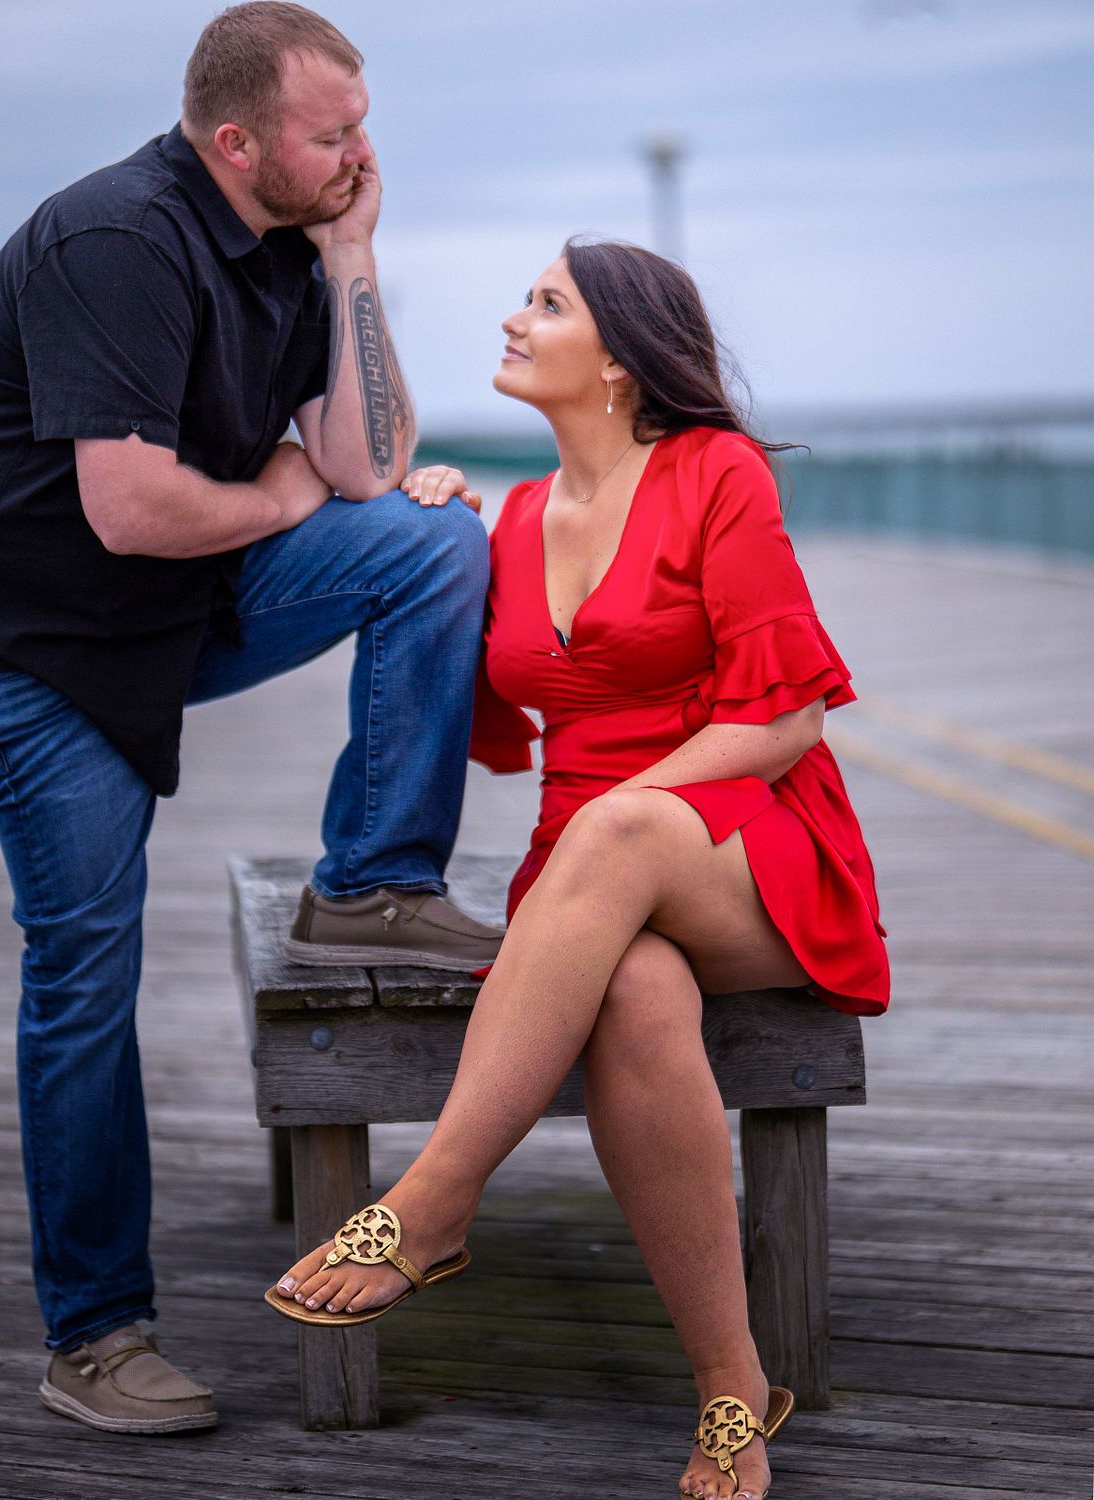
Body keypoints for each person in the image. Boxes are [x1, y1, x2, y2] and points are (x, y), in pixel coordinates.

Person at [0, 1, 503, 1435]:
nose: (360, 152)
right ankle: (95, 1335)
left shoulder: (301, 242)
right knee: (87, 964)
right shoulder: (121, 239)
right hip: (28, 644)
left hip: (170, 602)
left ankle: (373, 883)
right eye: (331, 134)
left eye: (363, 123)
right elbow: (127, 507)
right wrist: (277, 500)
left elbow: (368, 466)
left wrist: (354, 260)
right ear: (237, 142)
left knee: (430, 542)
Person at [267, 239, 890, 1500]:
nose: (512, 317)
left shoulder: (717, 475)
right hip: (589, 880)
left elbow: (787, 721)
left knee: (614, 835)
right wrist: (426, 520)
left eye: (545, 303)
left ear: (618, 356)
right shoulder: (504, 521)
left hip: (752, 854)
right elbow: (488, 718)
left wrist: (627, 824)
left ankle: (436, 1201)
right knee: (638, 992)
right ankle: (732, 1388)